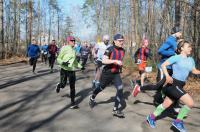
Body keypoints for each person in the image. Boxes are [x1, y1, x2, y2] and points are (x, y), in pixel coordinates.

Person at [146, 40, 200, 132]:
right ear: (182, 48)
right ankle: (178, 122)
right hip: (173, 84)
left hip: (180, 85)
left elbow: (194, 70)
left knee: (165, 105)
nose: (191, 48)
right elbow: (163, 65)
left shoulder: (191, 60)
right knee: (190, 103)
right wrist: (167, 76)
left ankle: (151, 117)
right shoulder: (176, 58)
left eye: (191, 47)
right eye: (188, 46)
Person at [132, 27, 182, 103]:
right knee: (158, 86)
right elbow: (160, 51)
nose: (181, 34)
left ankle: (162, 101)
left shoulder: (174, 41)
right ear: (176, 32)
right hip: (163, 66)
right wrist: (173, 53)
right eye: (180, 32)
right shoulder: (170, 40)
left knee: (169, 85)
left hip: (170, 67)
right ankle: (139, 88)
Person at [89, 34, 125, 118]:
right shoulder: (109, 49)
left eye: (122, 41)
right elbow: (104, 60)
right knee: (101, 87)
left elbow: (120, 60)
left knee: (120, 89)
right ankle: (92, 97)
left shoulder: (123, 50)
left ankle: (115, 110)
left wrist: (120, 67)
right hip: (107, 73)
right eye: (120, 41)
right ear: (115, 41)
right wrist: (115, 61)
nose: (121, 42)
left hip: (116, 73)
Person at [56, 36, 82, 109]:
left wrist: (81, 66)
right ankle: (59, 85)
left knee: (72, 86)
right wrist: (63, 63)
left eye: (74, 41)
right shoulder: (64, 48)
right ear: (68, 41)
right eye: (72, 41)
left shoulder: (74, 50)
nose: (74, 42)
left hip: (72, 70)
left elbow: (75, 62)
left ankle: (72, 103)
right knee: (63, 85)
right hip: (64, 69)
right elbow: (58, 58)